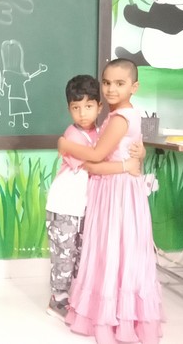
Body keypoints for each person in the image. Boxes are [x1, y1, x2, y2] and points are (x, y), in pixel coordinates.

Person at [58, 59, 163, 344]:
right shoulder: (125, 114)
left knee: (113, 249)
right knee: (118, 250)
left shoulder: (119, 118)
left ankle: (113, 318)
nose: (111, 89)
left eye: (119, 83)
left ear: (134, 86)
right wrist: (133, 159)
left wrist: (65, 145)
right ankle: (118, 313)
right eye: (106, 83)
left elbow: (96, 155)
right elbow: (128, 151)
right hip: (117, 188)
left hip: (116, 190)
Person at [44, 74, 143, 321]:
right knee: (64, 255)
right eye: (76, 108)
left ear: (99, 107)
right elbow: (93, 164)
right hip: (65, 205)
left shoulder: (101, 132)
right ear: (69, 109)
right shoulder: (72, 136)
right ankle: (57, 300)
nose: (82, 113)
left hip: (85, 206)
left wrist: (140, 153)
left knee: (81, 254)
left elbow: (113, 149)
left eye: (88, 106)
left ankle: (75, 298)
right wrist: (126, 166)